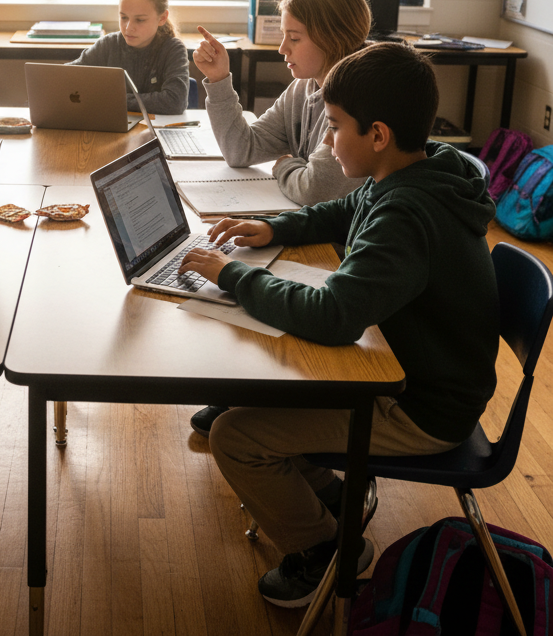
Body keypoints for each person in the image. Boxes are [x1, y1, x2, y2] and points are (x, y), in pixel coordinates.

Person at [177, 42, 499, 609]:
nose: (326, 141)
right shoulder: (421, 169)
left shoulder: (407, 214)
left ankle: (329, 552)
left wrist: (233, 277)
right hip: (421, 372)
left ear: (376, 134)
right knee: (258, 396)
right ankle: (332, 498)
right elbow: (347, 210)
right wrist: (275, 228)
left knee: (235, 435)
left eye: (333, 127)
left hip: (420, 407)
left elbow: (333, 318)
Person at [188, 0, 374, 439]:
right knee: (241, 261)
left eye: (294, 38)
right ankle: (252, 393)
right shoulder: (305, 88)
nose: (281, 49)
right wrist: (218, 81)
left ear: (331, 39)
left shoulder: (355, 96)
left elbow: (316, 191)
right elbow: (242, 147)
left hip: (343, 249)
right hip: (323, 231)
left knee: (244, 278)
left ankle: (263, 397)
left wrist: (286, 164)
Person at [66, 0, 190, 114]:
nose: (128, 28)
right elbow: (64, 77)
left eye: (140, 20)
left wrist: (112, 100)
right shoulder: (108, 45)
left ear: (162, 18)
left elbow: (175, 101)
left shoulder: (173, 49)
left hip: (156, 132)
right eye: (124, 17)